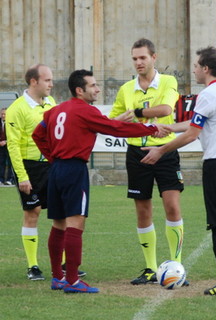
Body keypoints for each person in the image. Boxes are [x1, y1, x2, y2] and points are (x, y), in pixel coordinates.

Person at [32, 69, 168, 293]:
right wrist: (151, 128)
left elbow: (38, 135)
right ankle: (73, 281)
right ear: (79, 90)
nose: (97, 89)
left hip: (56, 169)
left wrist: (53, 157)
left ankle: (58, 277)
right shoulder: (86, 111)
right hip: (74, 170)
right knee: (76, 223)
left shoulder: (55, 111)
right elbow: (116, 129)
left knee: (58, 224)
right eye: (93, 85)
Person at [141, 47, 216, 295]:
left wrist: (160, 151)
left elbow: (193, 134)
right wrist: (170, 127)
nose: (194, 68)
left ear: (206, 69)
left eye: (196, 65)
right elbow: (200, 121)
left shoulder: (207, 94)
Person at [109, 38, 187, 285]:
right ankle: (150, 268)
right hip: (136, 154)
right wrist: (123, 120)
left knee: (172, 206)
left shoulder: (168, 81)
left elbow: (165, 109)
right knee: (143, 210)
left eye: (142, 57)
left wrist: (138, 114)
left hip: (165, 151)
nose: (138, 62)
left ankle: (176, 266)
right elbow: (114, 122)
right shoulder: (126, 89)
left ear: (154, 57)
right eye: (134, 58)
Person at [6, 64, 56, 280]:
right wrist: (22, 176)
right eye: (47, 80)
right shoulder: (17, 109)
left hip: (53, 165)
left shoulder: (52, 103)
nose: (51, 84)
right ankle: (33, 266)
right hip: (30, 167)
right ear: (34, 82)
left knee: (60, 214)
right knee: (32, 213)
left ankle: (62, 263)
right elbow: (13, 145)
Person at [0, 108, 14, 185]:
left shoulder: (11, 123)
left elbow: (14, 135)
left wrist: (6, 141)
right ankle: (1, 180)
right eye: (2, 114)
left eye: (4, 114)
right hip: (0, 147)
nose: (3, 115)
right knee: (1, 162)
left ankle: (10, 180)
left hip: (9, 146)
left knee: (9, 163)